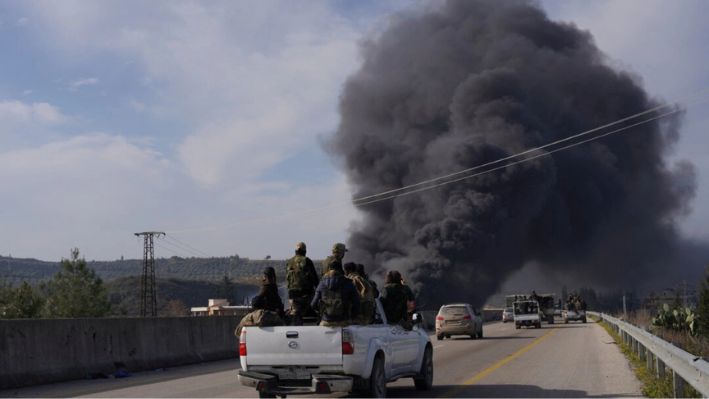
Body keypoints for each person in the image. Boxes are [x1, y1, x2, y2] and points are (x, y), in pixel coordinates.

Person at [235, 267, 285, 335]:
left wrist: (262, 292)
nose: (263, 279)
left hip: (263, 316)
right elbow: (281, 309)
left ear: (268, 278)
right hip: (271, 317)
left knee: (238, 330)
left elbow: (255, 303)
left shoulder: (266, 288)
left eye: (264, 277)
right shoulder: (275, 290)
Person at [311, 260, 359, 327]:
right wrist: (352, 316)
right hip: (343, 322)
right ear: (340, 270)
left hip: (326, 322)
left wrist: (322, 313)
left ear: (329, 270)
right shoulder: (348, 283)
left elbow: (313, 304)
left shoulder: (322, 284)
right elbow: (356, 303)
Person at [285, 242, 319, 325]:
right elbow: (315, 280)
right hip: (306, 295)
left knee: (295, 315)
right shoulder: (307, 261)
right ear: (304, 251)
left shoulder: (289, 262)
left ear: (295, 251)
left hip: (292, 295)